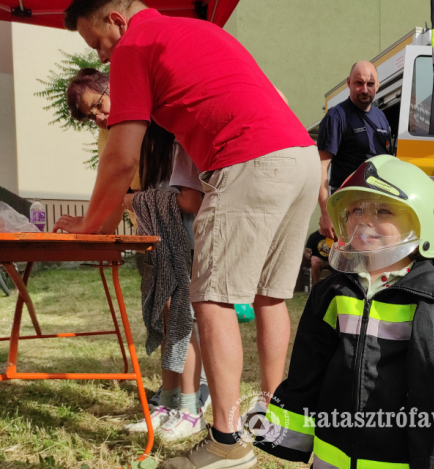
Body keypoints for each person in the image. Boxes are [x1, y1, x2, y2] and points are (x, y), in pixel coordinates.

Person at [57, 2, 318, 466]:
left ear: (116, 19)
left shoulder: (136, 44)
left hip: (250, 156)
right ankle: (272, 420)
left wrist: (89, 225)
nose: (101, 58)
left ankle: (227, 441)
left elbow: (121, 158)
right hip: (300, 159)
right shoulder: (192, 32)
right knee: (270, 296)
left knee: (210, 297)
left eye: (98, 43)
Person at [252, 155, 434, 468]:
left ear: (423, 220)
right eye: (355, 210)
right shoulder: (333, 291)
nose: (363, 221)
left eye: (383, 210)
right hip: (333, 456)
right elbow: (307, 369)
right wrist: (289, 436)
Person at [67, 69, 210, 440]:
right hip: (157, 234)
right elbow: (118, 192)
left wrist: (131, 200)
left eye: (98, 105)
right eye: (91, 116)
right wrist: (95, 225)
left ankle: (191, 406)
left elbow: (187, 200)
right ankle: (167, 403)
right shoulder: (120, 136)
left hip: (184, 234)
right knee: (164, 318)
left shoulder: (166, 127)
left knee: (180, 318)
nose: (98, 117)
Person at [317, 61, 392, 239]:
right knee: (347, 264)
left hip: (375, 205)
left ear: (378, 85)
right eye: (359, 83)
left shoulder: (381, 117)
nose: (365, 89)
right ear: (349, 83)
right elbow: (320, 167)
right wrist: (326, 212)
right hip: (347, 206)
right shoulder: (336, 117)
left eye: (370, 84)